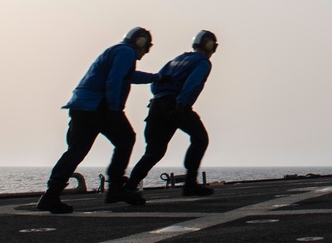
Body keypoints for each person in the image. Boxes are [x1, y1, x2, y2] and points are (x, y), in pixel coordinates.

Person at [37, 27, 160, 214]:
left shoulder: (117, 51)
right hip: (99, 105)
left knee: (76, 150)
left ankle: (50, 194)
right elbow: (115, 80)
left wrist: (157, 77)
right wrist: (113, 108)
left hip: (80, 105)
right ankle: (116, 187)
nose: (146, 52)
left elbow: (128, 76)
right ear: (141, 42)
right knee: (126, 139)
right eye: (147, 47)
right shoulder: (126, 52)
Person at [125, 30, 218, 197]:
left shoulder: (176, 60)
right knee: (200, 138)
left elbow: (157, 81)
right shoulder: (203, 62)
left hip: (157, 104)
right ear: (209, 46)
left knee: (154, 150)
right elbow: (193, 82)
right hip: (175, 104)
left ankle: (130, 185)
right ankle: (190, 184)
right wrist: (181, 102)